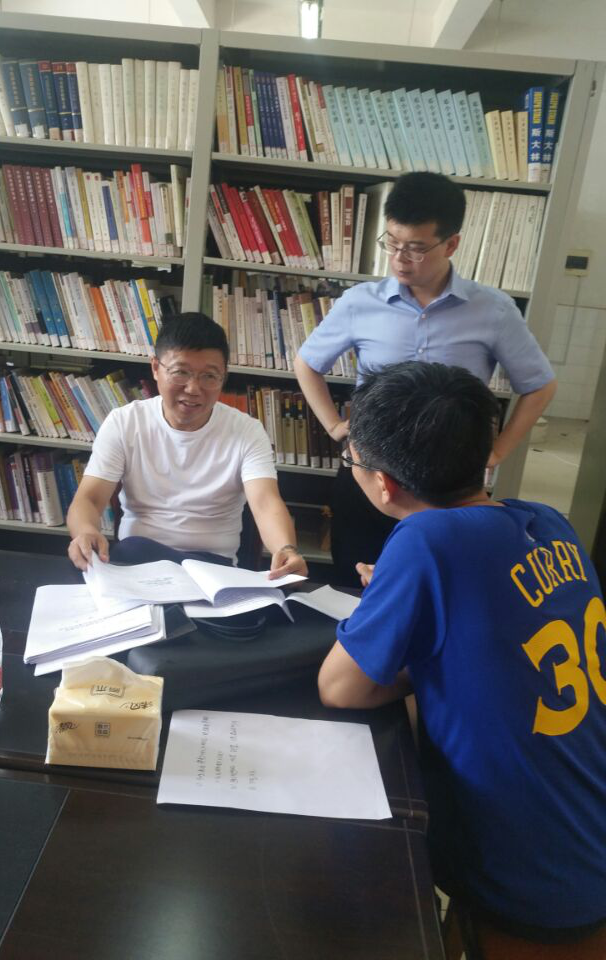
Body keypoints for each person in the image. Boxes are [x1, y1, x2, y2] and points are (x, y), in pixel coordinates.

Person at [318, 361, 606, 951]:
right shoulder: (550, 523)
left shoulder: (427, 540)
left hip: (528, 871)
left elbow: (341, 687)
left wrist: (400, 612)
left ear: (383, 483)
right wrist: (412, 606)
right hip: (585, 826)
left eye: (353, 460)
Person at [294, 171, 557, 584]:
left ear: (450, 244)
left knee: (441, 582)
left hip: (449, 483)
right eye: (392, 243)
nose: (400, 258)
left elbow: (539, 384)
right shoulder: (360, 303)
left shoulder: (492, 310)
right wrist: (333, 426)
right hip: (370, 471)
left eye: (416, 248)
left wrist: (496, 451)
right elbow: (307, 363)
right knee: (355, 575)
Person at [67, 312, 307, 579]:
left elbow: (265, 503)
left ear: (223, 377)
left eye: (209, 376)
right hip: (138, 560)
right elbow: (89, 498)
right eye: (181, 372)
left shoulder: (247, 431)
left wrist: (286, 549)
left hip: (212, 567)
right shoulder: (125, 422)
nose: (193, 388)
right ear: (155, 368)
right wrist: (85, 531)